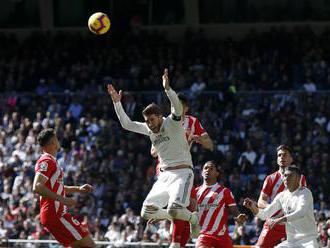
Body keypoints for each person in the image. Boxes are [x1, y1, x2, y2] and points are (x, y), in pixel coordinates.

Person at [107, 69, 200, 237]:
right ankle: (183, 216)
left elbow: (177, 108)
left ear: (160, 116)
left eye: (152, 119)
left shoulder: (172, 123)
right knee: (146, 212)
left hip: (182, 173)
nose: (149, 124)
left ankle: (193, 219)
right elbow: (127, 124)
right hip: (164, 177)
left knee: (174, 208)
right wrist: (117, 103)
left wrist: (167, 90)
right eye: (147, 121)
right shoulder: (150, 130)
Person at [150, 93, 214, 248]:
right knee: (181, 205)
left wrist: (199, 139)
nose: (174, 108)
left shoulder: (192, 122)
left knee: (192, 206)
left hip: (184, 168)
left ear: (185, 108)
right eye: (172, 105)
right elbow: (153, 152)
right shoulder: (165, 122)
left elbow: (209, 144)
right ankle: (175, 243)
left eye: (178, 105)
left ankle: (179, 242)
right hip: (167, 169)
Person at [33, 128, 95, 248]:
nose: (58, 140)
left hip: (55, 214)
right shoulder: (46, 160)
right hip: (55, 214)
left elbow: (56, 188)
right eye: (56, 138)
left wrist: (78, 188)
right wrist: (63, 200)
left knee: (78, 246)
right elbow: (37, 186)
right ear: (52, 142)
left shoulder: (52, 161)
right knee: (89, 245)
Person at [244, 166, 318, 248]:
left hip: (309, 240)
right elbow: (265, 214)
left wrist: (280, 219)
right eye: (285, 175)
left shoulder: (305, 193)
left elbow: (301, 212)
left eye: (290, 176)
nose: (286, 178)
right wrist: (253, 207)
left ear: (298, 179)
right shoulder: (282, 196)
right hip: (291, 242)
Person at [256, 144, 306, 247]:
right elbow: (260, 201)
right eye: (279, 155)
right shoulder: (270, 178)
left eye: (285, 155)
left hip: (292, 224)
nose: (281, 157)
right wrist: (272, 207)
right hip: (273, 223)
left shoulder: (300, 178)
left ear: (291, 159)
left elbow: (303, 199)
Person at [195, 161, 247, 248]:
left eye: (211, 168)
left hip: (222, 236)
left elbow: (234, 211)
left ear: (217, 173)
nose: (207, 170)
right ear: (202, 172)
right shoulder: (195, 192)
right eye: (205, 168)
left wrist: (239, 217)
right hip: (204, 235)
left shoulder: (225, 192)